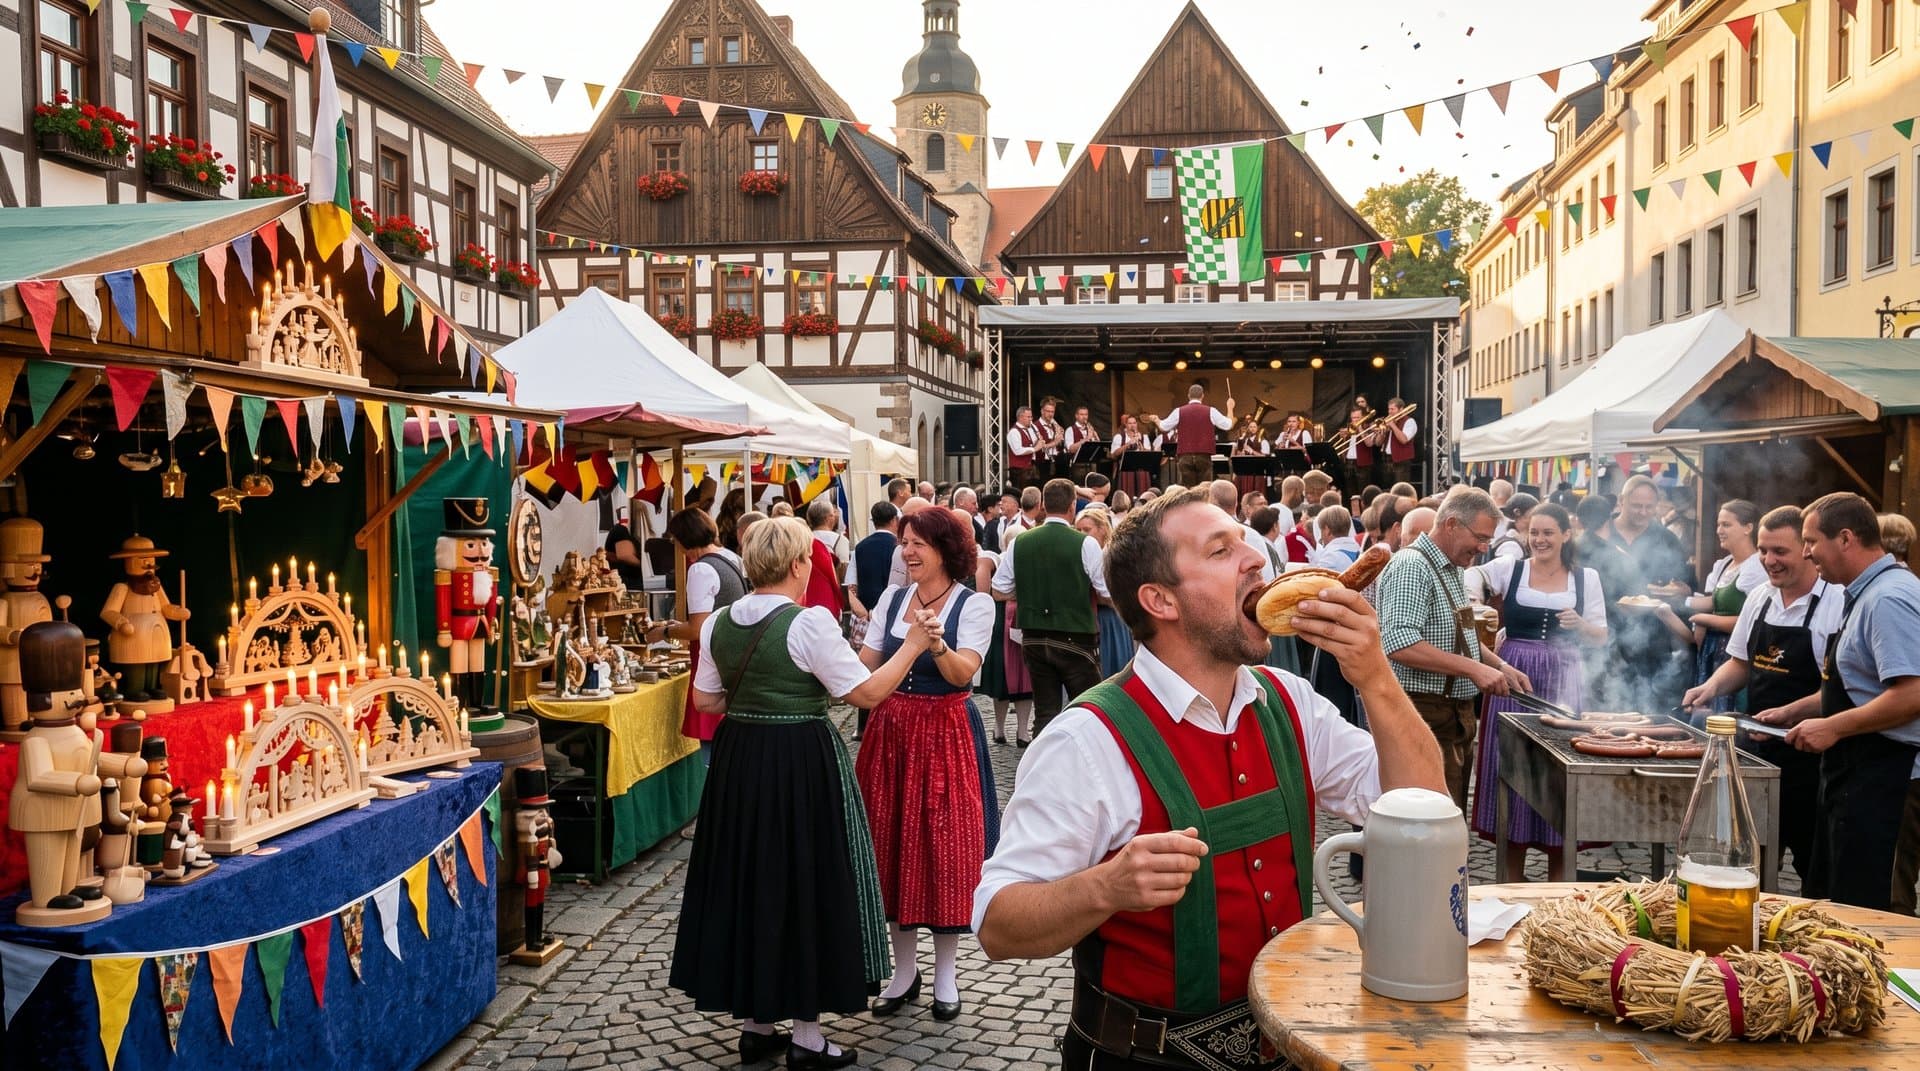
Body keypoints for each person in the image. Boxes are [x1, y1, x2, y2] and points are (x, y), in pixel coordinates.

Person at [972, 487, 1447, 1071]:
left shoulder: (1290, 701)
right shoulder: (1086, 740)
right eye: (1221, 551)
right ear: (1160, 600)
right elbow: (998, 923)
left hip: (1292, 1047)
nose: (1255, 559)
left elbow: (1426, 807)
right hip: (1143, 1060)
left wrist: (1375, 678)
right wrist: (1105, 887)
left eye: (1245, 541)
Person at [671, 518, 938, 1069]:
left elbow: (707, 702)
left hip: (740, 762)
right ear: (798, 566)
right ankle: (808, 1037)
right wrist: (911, 645)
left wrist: (756, 698)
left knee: (750, 878)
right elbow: (864, 693)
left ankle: (757, 1023)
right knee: (803, 881)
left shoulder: (719, 622)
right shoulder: (808, 624)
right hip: (798, 763)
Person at [856, 507, 997, 1023]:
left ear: (945, 549)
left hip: (945, 732)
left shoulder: (973, 605)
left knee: (944, 848)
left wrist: (936, 644)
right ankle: (903, 971)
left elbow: (963, 674)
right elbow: (865, 667)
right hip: (891, 732)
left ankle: (945, 974)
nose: (908, 552)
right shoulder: (891, 599)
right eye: (904, 543)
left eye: (918, 544)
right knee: (890, 845)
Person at [1681, 506, 1840, 884]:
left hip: (1812, 758)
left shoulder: (1834, 602)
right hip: (1756, 754)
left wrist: (1790, 712)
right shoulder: (1760, 599)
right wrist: (1711, 687)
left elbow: (1839, 689)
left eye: (1779, 552)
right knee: (1751, 861)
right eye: (1764, 550)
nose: (1769, 560)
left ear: (1806, 549)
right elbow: (1741, 663)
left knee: (1814, 865)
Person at [1786, 493, 1920, 911]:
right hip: (1855, 776)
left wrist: (1831, 727)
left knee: (1877, 913)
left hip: (1890, 780)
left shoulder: (1889, 598)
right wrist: (1798, 710)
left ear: (1845, 538)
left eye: (1810, 541)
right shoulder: (1863, 593)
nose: (1807, 553)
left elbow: (1913, 692)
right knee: (1839, 904)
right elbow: (1861, 683)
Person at [1471, 503, 1609, 879]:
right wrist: (1477, 609)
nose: (1539, 539)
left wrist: (1580, 624)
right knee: (1510, 765)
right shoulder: (1509, 569)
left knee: (1558, 774)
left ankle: (1559, 885)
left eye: (1548, 532)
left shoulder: (1586, 578)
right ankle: (1510, 882)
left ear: (1566, 535)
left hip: (1565, 677)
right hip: (1513, 674)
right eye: (1534, 532)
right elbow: (1469, 581)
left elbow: (1601, 637)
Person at [1375, 486, 1532, 811]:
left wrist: (1499, 665)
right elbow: (1400, 643)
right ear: (1450, 524)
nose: (1484, 546)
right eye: (1479, 536)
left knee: (1448, 820)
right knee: (1427, 825)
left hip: (1450, 717)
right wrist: (1474, 669)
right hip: (1421, 714)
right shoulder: (1411, 566)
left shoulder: (1451, 568)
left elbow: (1462, 636)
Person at [992, 479, 1110, 736]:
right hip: (1076, 635)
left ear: (1044, 505)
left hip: (1034, 635)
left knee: (1045, 713)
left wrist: (1031, 591)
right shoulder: (1084, 543)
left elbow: (999, 589)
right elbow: (1105, 590)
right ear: (1072, 506)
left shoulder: (1020, 542)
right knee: (1087, 711)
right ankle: (1085, 769)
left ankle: (1042, 769)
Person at [648, 509, 746, 764]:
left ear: (683, 539)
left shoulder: (700, 570)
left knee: (712, 751)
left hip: (712, 659)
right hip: (733, 654)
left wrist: (665, 631)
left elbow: (697, 628)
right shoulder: (730, 558)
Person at [1601, 475, 1696, 711]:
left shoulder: (1666, 539)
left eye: (1649, 507)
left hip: (1654, 642)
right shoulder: (1601, 535)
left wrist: (1681, 591)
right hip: (1605, 638)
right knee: (1605, 709)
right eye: (1636, 506)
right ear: (1621, 502)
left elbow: (1684, 585)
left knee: (1650, 710)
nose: (1643, 512)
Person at [1685, 500, 1766, 717]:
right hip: (1712, 650)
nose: (1719, 530)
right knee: (1705, 711)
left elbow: (1750, 622)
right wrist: (1677, 602)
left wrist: (1703, 619)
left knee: (1727, 715)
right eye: (1719, 524)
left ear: (1748, 528)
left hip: (1733, 653)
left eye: (1726, 525)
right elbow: (1712, 603)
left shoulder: (1756, 567)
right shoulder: (1724, 564)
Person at [975, 528, 1033, 747]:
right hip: (1005, 623)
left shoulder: (1017, 560)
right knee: (1007, 677)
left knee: (1021, 677)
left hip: (1016, 622)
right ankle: (1009, 729)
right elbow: (992, 591)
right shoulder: (996, 559)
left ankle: (1015, 729)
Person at [848, 502, 901, 739]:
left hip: (866, 615)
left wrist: (863, 612)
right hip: (894, 615)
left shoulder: (859, 547)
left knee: (865, 670)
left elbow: (851, 585)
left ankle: (863, 725)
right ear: (894, 521)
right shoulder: (900, 548)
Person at [1074, 507, 1136, 678]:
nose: (1082, 534)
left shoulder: (1112, 555)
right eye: (1078, 530)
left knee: (1113, 669)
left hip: (1110, 618)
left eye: (1087, 530)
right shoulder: (1079, 554)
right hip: (1086, 620)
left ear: (1102, 529)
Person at [1166, 383, 1234, 489]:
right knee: (1204, 490)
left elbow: (1164, 426)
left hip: (1185, 456)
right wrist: (1230, 407)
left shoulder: (1179, 411)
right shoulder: (1211, 411)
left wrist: (1156, 420)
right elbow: (1228, 425)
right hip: (1203, 456)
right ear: (1202, 396)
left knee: (1187, 490)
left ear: (1188, 395)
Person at [803, 498, 850, 618]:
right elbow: (844, 572)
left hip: (806, 593)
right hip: (831, 594)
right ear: (829, 518)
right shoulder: (840, 540)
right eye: (833, 514)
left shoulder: (804, 539)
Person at [1111, 414, 1161, 499]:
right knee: (1128, 494)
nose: (1132, 425)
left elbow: (1149, 453)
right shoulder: (1119, 436)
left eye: (1134, 423)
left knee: (1142, 494)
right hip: (1126, 470)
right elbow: (1114, 454)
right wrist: (1128, 444)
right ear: (1126, 425)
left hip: (1141, 468)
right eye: (1130, 423)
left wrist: (1141, 446)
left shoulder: (1144, 437)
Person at [605, 508, 648, 590]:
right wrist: (644, 566)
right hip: (627, 581)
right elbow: (624, 555)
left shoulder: (621, 530)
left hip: (626, 580)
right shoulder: (620, 529)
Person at [1309, 506, 1361, 571]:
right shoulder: (1359, 549)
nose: (1321, 537)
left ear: (1327, 530)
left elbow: (1318, 580)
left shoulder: (1329, 558)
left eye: (1321, 530)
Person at [1381, 397, 1418, 489]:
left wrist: (1393, 426)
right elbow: (1378, 443)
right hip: (1387, 459)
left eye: (1392, 409)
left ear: (1401, 409)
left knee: (1400, 490)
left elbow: (1404, 440)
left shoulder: (1409, 421)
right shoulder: (1389, 422)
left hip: (1401, 461)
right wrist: (1381, 433)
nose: (1389, 412)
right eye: (1388, 409)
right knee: (1387, 489)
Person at [1337, 405, 1374, 498]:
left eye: (1357, 417)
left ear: (1363, 417)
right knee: (1351, 494)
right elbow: (1344, 447)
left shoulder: (1368, 427)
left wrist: (1360, 428)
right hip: (1349, 463)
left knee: (1363, 493)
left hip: (1362, 465)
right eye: (1353, 418)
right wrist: (1343, 437)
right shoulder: (1349, 428)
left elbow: (1369, 444)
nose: (1355, 420)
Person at [1006, 407, 1044, 489]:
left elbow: (1029, 445)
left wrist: (1038, 442)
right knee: (1020, 494)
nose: (1031, 419)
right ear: (1020, 417)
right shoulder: (1014, 432)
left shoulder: (1028, 430)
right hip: (1019, 471)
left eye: (1031, 417)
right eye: (1028, 417)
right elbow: (1018, 451)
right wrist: (1035, 448)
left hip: (1029, 469)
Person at [984, 489, 1025, 553]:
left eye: (1004, 501)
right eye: (1000, 502)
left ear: (1015, 505)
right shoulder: (994, 524)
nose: (1000, 504)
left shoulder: (1024, 522)